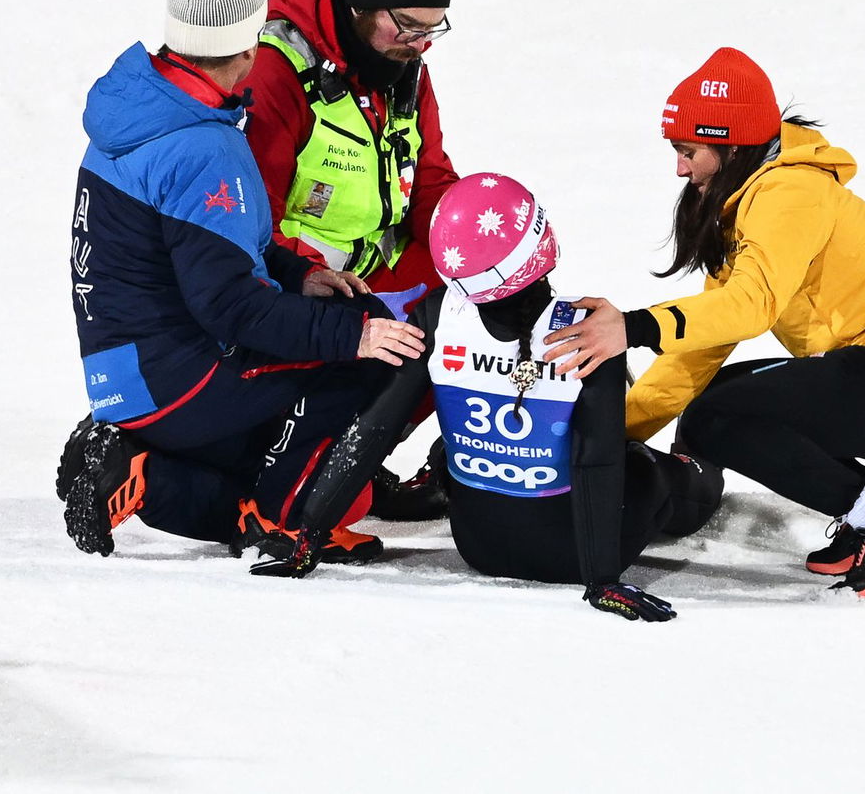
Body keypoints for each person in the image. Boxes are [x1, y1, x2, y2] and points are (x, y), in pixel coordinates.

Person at [542, 47, 865, 598]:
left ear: (730, 145)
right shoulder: (750, 196)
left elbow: (752, 306)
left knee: (717, 419)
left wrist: (631, 328)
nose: (679, 168)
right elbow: (703, 345)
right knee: (718, 401)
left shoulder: (789, 194)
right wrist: (610, 435)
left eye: (689, 151)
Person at [57, 0, 426, 562]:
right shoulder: (204, 146)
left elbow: (207, 251)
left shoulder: (140, 111)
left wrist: (299, 275)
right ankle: (289, 520)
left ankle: (143, 472)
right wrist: (354, 335)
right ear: (250, 44)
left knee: (275, 452)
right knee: (379, 364)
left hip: (126, 375)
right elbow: (230, 306)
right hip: (178, 379)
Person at [246, 173, 725, 622]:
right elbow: (596, 461)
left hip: (479, 546)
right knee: (650, 469)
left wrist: (309, 536)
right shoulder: (590, 332)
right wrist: (602, 580)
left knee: (446, 449)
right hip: (574, 555)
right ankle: (697, 465)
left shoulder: (435, 315)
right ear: (541, 243)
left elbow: (372, 431)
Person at [240, 0, 461, 519]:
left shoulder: (401, 61)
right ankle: (299, 459)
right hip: (299, 287)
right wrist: (310, 276)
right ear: (361, 6)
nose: (422, 43)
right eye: (408, 26)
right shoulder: (278, 68)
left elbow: (431, 179)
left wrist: (486, 237)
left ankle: (359, 456)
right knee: (395, 341)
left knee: (473, 304)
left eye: (432, 27)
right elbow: (252, 215)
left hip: (379, 280)